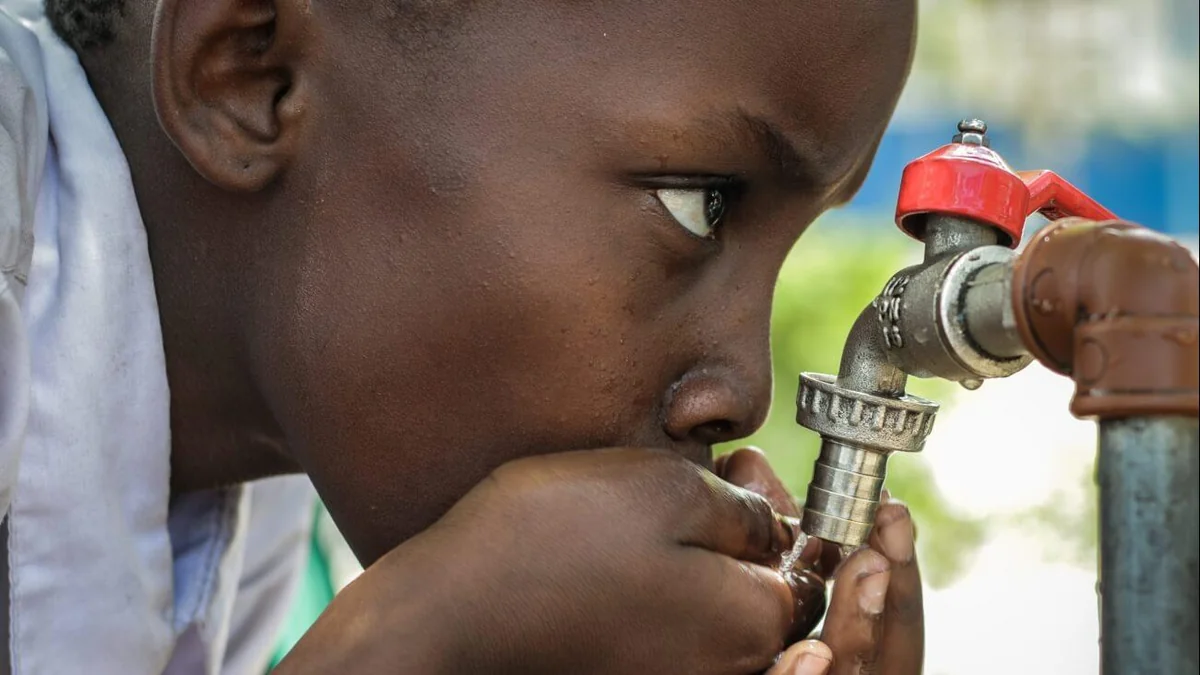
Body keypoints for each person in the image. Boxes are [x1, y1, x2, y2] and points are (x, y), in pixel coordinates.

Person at [0, 0, 922, 672]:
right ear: (252, 76)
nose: (744, 391)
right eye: (700, 203)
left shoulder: (245, 505)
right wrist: (411, 642)